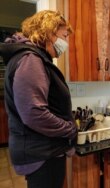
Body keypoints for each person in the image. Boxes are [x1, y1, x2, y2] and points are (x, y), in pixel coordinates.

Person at [0, 10, 77, 188]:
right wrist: (69, 129)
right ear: (49, 32)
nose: (66, 42)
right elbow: (33, 113)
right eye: (64, 35)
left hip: (43, 151)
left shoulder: (32, 58)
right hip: (43, 153)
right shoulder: (31, 60)